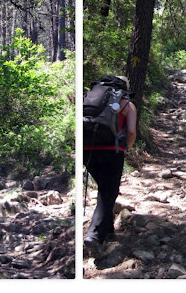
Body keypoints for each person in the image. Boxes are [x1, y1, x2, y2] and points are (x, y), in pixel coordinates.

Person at [83, 76, 137, 258]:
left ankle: (108, 230)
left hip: (86, 150)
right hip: (112, 151)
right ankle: (94, 235)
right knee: (108, 192)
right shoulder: (127, 104)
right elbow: (130, 131)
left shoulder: (88, 98)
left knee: (104, 190)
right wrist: (127, 147)